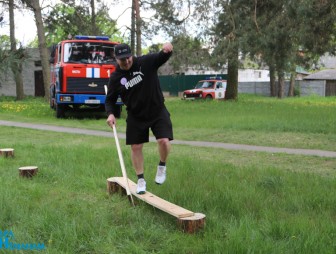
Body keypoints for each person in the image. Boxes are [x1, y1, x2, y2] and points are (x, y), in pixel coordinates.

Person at [105, 42, 174, 194]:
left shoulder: (145, 62)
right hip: (136, 115)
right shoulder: (116, 77)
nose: (127, 61)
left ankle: (162, 166)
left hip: (157, 110)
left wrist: (168, 49)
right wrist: (110, 113)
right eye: (123, 59)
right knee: (136, 147)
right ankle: (141, 179)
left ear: (132, 55)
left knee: (164, 141)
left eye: (129, 57)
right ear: (116, 59)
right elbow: (109, 99)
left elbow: (162, 56)